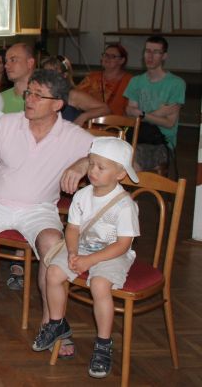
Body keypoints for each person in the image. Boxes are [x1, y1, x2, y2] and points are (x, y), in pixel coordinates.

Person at [0, 69, 95, 358]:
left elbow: (119, 155)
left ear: (58, 104)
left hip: (39, 209)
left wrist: (84, 163)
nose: (29, 100)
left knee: (52, 244)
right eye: (28, 93)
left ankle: (52, 322)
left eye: (38, 95)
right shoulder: (8, 124)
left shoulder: (72, 135)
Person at [36, 137, 140, 379]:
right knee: (53, 272)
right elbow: (72, 228)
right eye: (91, 164)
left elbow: (123, 245)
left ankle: (103, 343)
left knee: (99, 284)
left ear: (120, 174)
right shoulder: (83, 195)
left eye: (101, 167)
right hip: (82, 247)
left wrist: (90, 261)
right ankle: (56, 323)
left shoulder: (125, 205)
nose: (92, 171)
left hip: (112, 253)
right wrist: (73, 252)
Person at [123, 36, 186, 172]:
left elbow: (169, 123)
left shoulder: (176, 84)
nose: (150, 56)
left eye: (156, 52)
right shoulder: (136, 81)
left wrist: (142, 114)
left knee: (129, 159)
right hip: (136, 137)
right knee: (112, 154)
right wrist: (158, 113)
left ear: (164, 56)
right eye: (147, 51)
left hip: (162, 143)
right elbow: (131, 116)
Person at [41, 55, 111, 125]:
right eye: (45, 72)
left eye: (53, 73)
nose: (48, 76)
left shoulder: (73, 95)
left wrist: (83, 117)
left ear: (64, 75)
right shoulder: (41, 93)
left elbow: (105, 109)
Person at [76, 43, 132, 116]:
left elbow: (132, 109)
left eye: (113, 56)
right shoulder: (92, 77)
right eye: (105, 55)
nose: (107, 58)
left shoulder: (130, 81)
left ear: (122, 60)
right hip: (91, 119)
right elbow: (76, 97)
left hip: (119, 121)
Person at [0, 43, 37, 113]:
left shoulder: (43, 101)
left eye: (13, 60)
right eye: (6, 61)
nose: (6, 65)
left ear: (30, 63)